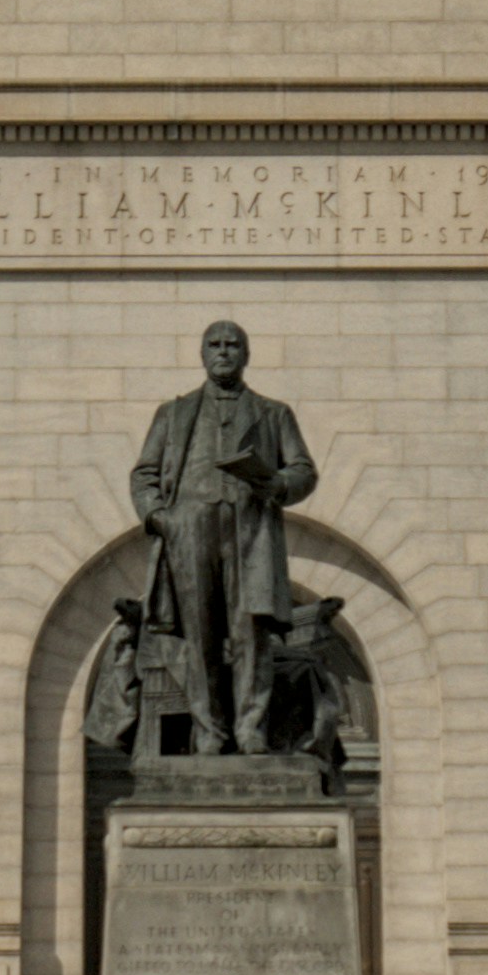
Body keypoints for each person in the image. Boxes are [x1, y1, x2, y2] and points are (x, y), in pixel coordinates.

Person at [126, 321, 315, 759]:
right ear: (202, 354)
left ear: (246, 355)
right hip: (190, 532)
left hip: (251, 532)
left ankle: (250, 729)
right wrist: (160, 517)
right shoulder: (173, 414)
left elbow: (303, 470)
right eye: (215, 344)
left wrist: (279, 482)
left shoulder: (273, 413)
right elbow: (144, 473)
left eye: (233, 345)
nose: (224, 351)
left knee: (251, 632)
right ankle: (209, 731)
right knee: (200, 636)